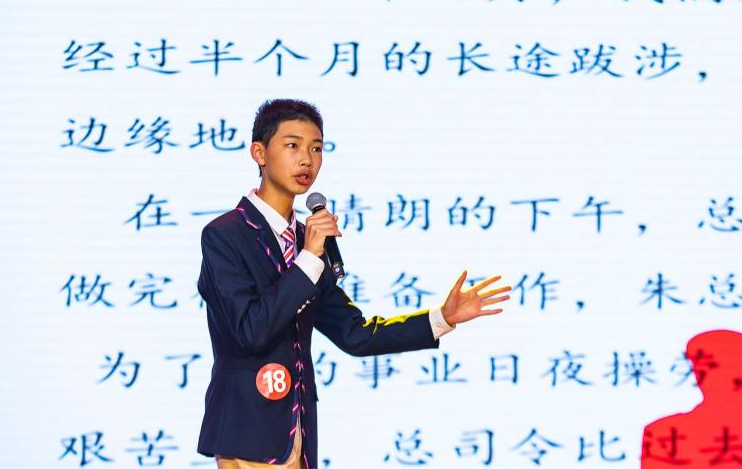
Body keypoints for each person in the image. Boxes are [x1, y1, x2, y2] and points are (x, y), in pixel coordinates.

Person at [196, 99, 510, 468]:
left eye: (317, 148)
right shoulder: (225, 235)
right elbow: (252, 331)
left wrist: (442, 317)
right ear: (259, 153)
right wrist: (309, 258)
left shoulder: (307, 239)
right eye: (293, 145)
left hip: (297, 435)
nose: (307, 160)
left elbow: (354, 334)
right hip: (246, 432)